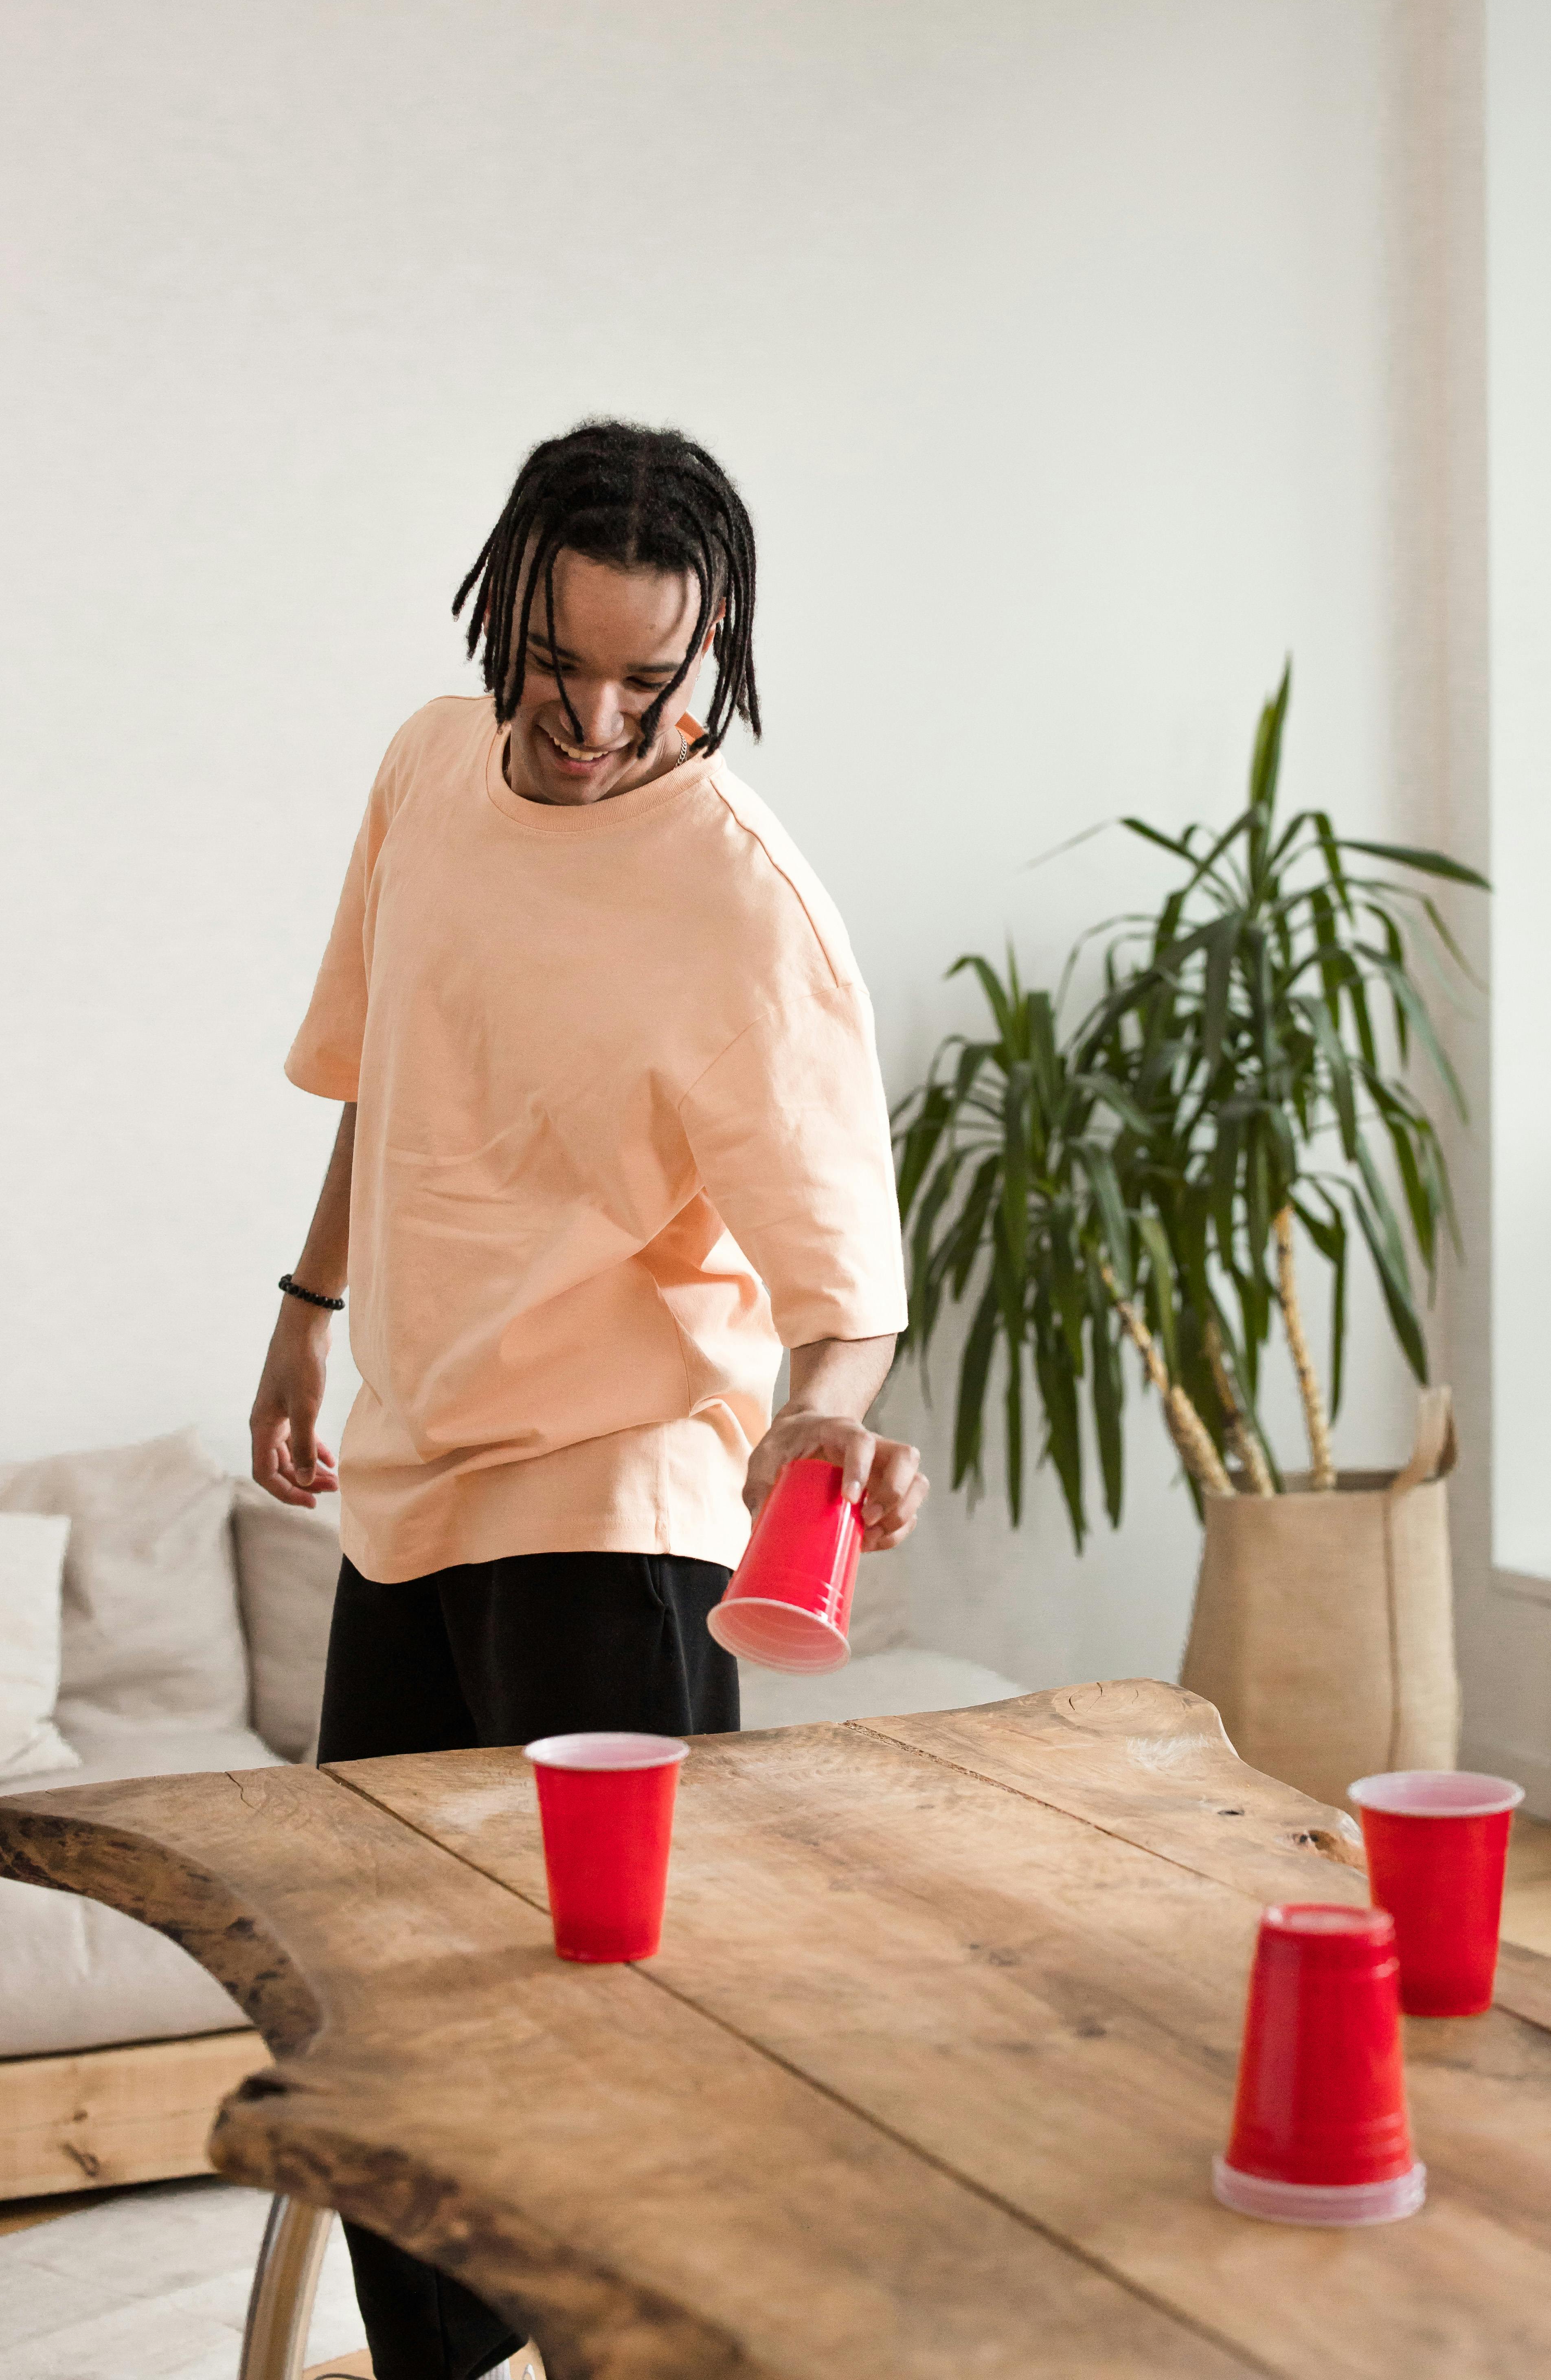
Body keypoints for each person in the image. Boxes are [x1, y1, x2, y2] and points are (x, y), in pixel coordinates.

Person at [249, 419, 926, 2380]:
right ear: (503, 603)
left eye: (656, 681)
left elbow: (846, 1294)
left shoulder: (743, 902)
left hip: (616, 1511)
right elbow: (390, 1054)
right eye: (563, 667)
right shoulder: (426, 769)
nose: (601, 723)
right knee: (385, 2029)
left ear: (716, 654)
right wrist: (308, 1303)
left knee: (620, 2066)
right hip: (409, 1481)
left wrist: (819, 1418)